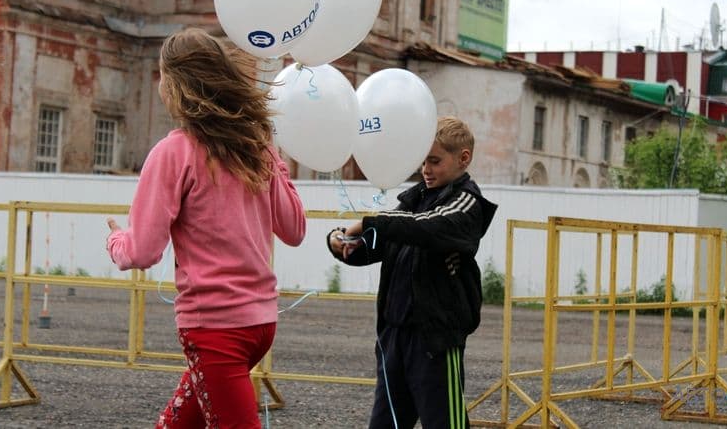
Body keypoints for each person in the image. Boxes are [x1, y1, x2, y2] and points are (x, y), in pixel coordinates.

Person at [106, 27, 306, 429]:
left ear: (176, 85)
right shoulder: (254, 147)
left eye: (163, 76)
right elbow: (295, 229)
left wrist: (116, 240)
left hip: (215, 327)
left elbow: (143, 251)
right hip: (260, 324)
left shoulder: (173, 152)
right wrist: (274, 158)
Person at [327, 116, 497, 429]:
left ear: (463, 158)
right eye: (422, 162)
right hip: (394, 337)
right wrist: (343, 241)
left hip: (433, 341)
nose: (426, 170)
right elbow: (381, 240)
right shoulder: (412, 202)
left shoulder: (465, 203)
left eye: (434, 161)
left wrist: (371, 222)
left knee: (445, 424)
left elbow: (429, 228)